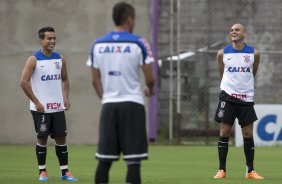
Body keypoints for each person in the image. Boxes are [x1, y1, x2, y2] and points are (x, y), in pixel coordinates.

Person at [86, 2, 155, 184]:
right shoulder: (139, 43)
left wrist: (105, 97)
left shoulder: (97, 44)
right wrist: (151, 89)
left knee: (104, 160)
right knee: (133, 161)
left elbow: (94, 79)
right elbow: (150, 77)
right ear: (130, 19)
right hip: (133, 104)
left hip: (109, 106)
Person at [20, 27, 77, 182]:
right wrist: (36, 102)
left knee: (61, 138)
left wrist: (66, 97)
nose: (52, 41)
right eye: (49, 38)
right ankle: (42, 172)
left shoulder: (60, 59)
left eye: (54, 38)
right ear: (41, 41)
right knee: (42, 138)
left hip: (57, 107)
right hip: (41, 109)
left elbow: (65, 79)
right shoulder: (34, 59)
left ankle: (65, 172)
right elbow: (23, 82)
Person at [213, 23, 263, 179]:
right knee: (224, 131)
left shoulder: (254, 53)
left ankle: (250, 171)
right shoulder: (222, 53)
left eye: (237, 30)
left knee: (248, 133)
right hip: (227, 98)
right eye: (232, 30)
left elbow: (252, 73)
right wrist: (229, 88)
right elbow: (222, 73)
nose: (233, 32)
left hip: (246, 98)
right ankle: (222, 170)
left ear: (244, 34)